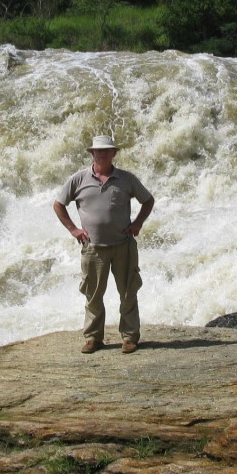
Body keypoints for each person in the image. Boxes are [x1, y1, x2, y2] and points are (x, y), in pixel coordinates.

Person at [53, 134, 155, 354]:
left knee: (128, 293)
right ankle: (93, 338)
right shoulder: (78, 180)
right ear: (92, 153)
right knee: (93, 295)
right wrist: (73, 230)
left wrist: (137, 223)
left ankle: (129, 337)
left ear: (114, 153)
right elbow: (59, 205)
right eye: (99, 151)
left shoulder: (127, 179)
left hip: (123, 245)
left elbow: (148, 200)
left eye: (108, 150)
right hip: (93, 248)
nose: (103, 154)